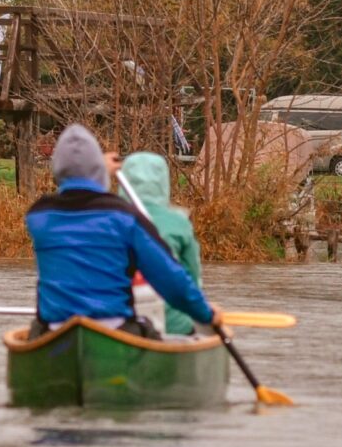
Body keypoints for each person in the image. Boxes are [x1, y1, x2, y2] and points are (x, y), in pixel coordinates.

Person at [26, 126, 219, 339]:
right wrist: (206, 315)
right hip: (115, 330)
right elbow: (170, 279)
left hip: (56, 332)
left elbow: (75, 192)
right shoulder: (124, 217)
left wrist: (97, 170)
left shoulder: (38, 217)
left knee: (36, 328)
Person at [118, 151, 204, 337]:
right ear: (163, 183)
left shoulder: (108, 220)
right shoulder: (179, 223)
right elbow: (193, 280)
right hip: (173, 327)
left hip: (120, 326)